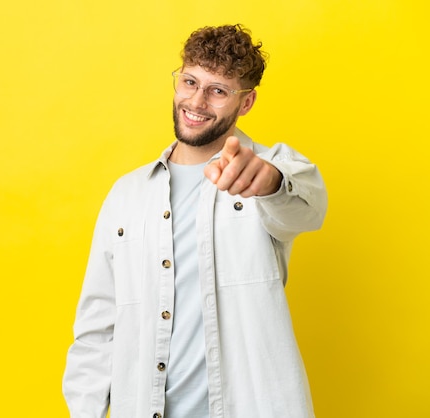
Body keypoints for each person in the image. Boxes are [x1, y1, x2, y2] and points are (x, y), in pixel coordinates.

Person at [62, 24, 327, 418]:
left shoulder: (267, 169)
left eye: (218, 90)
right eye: (190, 82)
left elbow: (307, 206)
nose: (197, 101)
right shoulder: (126, 194)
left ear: (246, 101)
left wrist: (269, 181)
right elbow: (97, 326)